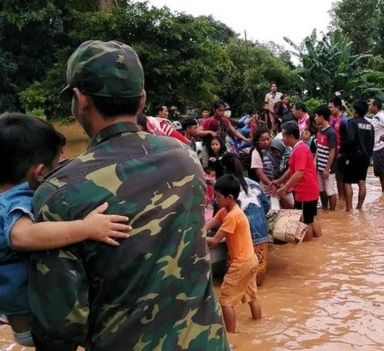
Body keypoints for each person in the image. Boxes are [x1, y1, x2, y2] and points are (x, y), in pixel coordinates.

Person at [29, 40, 228, 349]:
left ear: (80, 100)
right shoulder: (185, 159)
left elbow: (61, 328)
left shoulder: (58, 193)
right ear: (142, 99)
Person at [0, 113, 132, 347]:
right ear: (40, 172)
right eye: (56, 165)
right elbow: (22, 236)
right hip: (32, 318)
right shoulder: (15, 200)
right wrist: (85, 228)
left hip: (16, 310)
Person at [206, 175, 262, 333]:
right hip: (251, 259)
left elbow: (215, 241)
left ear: (229, 197)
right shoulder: (226, 210)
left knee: (225, 301)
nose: (215, 199)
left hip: (241, 263)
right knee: (252, 296)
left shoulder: (232, 216)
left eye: (217, 196)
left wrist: (196, 237)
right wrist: (200, 230)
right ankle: (259, 325)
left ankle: (232, 337)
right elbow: (210, 224)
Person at [221, 154, 271, 286]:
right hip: (262, 234)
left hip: (242, 239)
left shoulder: (225, 189)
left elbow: (221, 214)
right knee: (256, 282)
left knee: (234, 283)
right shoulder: (254, 184)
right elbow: (267, 206)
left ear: (225, 169)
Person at [273, 121, 321, 239]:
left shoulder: (299, 150)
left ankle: (308, 251)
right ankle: (318, 244)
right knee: (310, 218)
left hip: (305, 191)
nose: (282, 138)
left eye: (283, 136)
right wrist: (279, 181)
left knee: (305, 222)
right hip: (309, 190)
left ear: (290, 136)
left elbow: (299, 173)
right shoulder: (298, 148)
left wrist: (284, 188)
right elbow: (291, 169)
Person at [342, 99, 375, 212]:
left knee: (347, 181)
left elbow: (350, 139)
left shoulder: (352, 122)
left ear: (355, 110)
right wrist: (369, 156)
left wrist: (342, 148)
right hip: (365, 157)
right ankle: (360, 207)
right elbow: (371, 143)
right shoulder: (370, 125)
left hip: (353, 156)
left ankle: (349, 209)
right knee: (362, 181)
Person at [367, 97, 384, 194]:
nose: (369, 106)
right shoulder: (376, 117)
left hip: (380, 147)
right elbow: (372, 123)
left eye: (370, 104)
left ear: (375, 106)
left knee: (383, 171)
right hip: (376, 148)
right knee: (379, 171)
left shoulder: (381, 116)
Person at [314, 105, 338, 211]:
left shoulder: (331, 133)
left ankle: (332, 212)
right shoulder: (320, 131)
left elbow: (333, 151)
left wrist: (327, 168)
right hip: (320, 166)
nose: (315, 118)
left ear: (322, 117)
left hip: (328, 167)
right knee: (321, 190)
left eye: (316, 116)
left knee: (330, 191)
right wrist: (315, 161)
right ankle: (325, 210)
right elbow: (319, 148)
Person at [328, 97, 349, 199]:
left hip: (341, 153)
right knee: (337, 175)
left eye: (331, 107)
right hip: (333, 151)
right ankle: (341, 197)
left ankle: (343, 198)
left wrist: (343, 153)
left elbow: (347, 138)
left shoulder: (344, 121)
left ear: (338, 107)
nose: (330, 109)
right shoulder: (330, 118)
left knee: (342, 176)